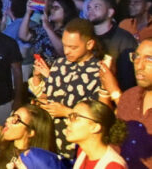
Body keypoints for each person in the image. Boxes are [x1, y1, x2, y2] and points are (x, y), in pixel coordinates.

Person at [29, 19, 102, 159]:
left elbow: (98, 115)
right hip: (49, 141)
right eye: (64, 45)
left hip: (76, 148)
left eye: (73, 47)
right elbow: (47, 93)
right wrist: (41, 102)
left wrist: (66, 112)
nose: (66, 51)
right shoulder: (59, 64)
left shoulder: (99, 72)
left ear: (90, 44)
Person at [98, 38, 152, 169]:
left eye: (149, 59)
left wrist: (114, 91)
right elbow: (113, 137)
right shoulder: (130, 96)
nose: (139, 65)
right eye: (136, 57)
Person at [88, 0, 138, 90]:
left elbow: (128, 76)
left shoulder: (124, 38)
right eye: (89, 8)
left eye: (96, 7)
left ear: (110, 12)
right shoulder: (86, 36)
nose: (91, 11)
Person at [64, 100, 128, 169]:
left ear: (95, 127)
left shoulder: (113, 166)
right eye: (70, 117)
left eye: (75, 117)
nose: (67, 122)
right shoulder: (82, 153)